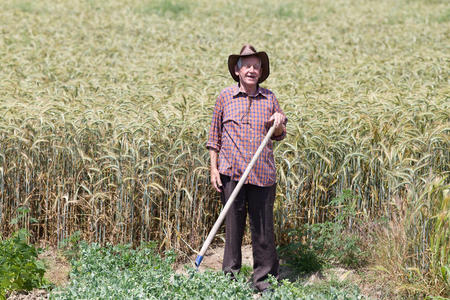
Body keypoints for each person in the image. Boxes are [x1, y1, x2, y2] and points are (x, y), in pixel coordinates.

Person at [206, 44, 287, 292]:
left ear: (261, 71)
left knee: (263, 230)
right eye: (247, 66)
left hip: (262, 174)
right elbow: (214, 137)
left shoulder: (270, 98)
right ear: (237, 71)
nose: (252, 70)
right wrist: (214, 169)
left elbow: (280, 135)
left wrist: (279, 122)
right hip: (231, 172)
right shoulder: (225, 98)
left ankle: (263, 282)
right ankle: (230, 278)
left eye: (256, 66)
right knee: (233, 227)